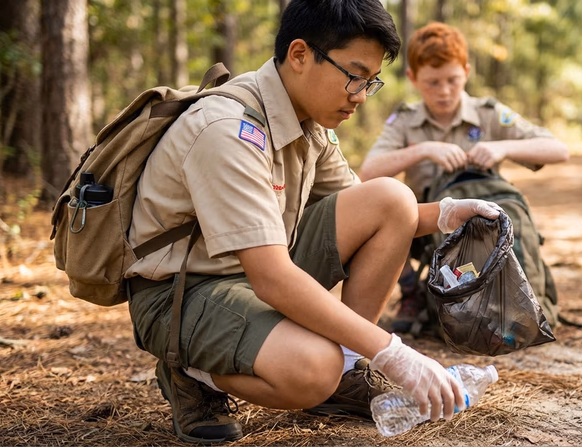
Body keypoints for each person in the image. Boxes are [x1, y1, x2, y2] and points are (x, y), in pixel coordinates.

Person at [125, 1, 504, 444]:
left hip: (251, 274)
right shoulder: (227, 129)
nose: (361, 96)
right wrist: (390, 351)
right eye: (354, 76)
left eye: (371, 82)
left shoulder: (310, 123)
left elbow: (376, 212)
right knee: (313, 369)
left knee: (392, 197)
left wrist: (445, 214)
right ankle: (191, 373)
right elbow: (271, 278)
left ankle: (345, 366)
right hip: (182, 294)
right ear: (301, 54)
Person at [360, 22, 569, 334]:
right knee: (378, 211)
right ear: (414, 78)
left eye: (452, 80)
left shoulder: (487, 112)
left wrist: (503, 148)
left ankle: (512, 296)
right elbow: (368, 171)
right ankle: (413, 293)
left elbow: (558, 150)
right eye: (432, 83)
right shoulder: (406, 121)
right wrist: (423, 150)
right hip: (423, 231)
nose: (444, 91)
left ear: (466, 72)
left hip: (483, 228)